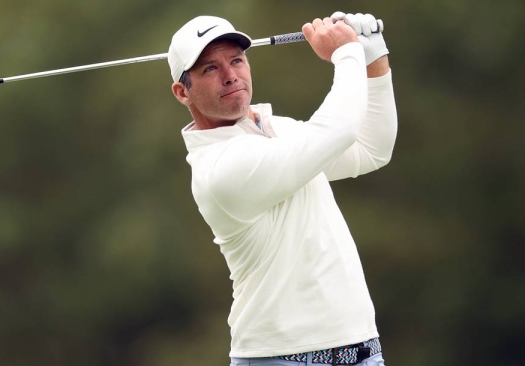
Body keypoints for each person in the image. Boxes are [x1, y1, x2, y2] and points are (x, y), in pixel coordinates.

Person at [168, 12, 397, 366]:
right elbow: (337, 131)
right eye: (210, 69)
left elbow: (371, 149)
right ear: (184, 92)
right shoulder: (220, 168)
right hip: (281, 357)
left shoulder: (276, 131)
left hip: (361, 348)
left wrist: (373, 57)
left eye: (236, 60)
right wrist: (347, 53)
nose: (230, 76)